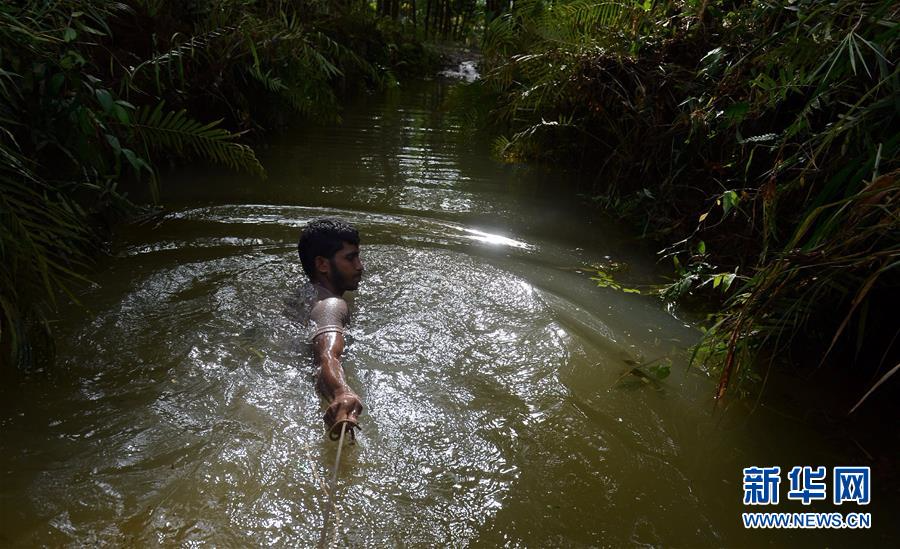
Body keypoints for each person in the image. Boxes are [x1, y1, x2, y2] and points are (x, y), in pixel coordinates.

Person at [297, 217, 365, 440]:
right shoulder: (332, 304)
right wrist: (340, 392)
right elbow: (327, 354)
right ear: (322, 264)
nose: (359, 266)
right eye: (350, 258)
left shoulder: (304, 295)